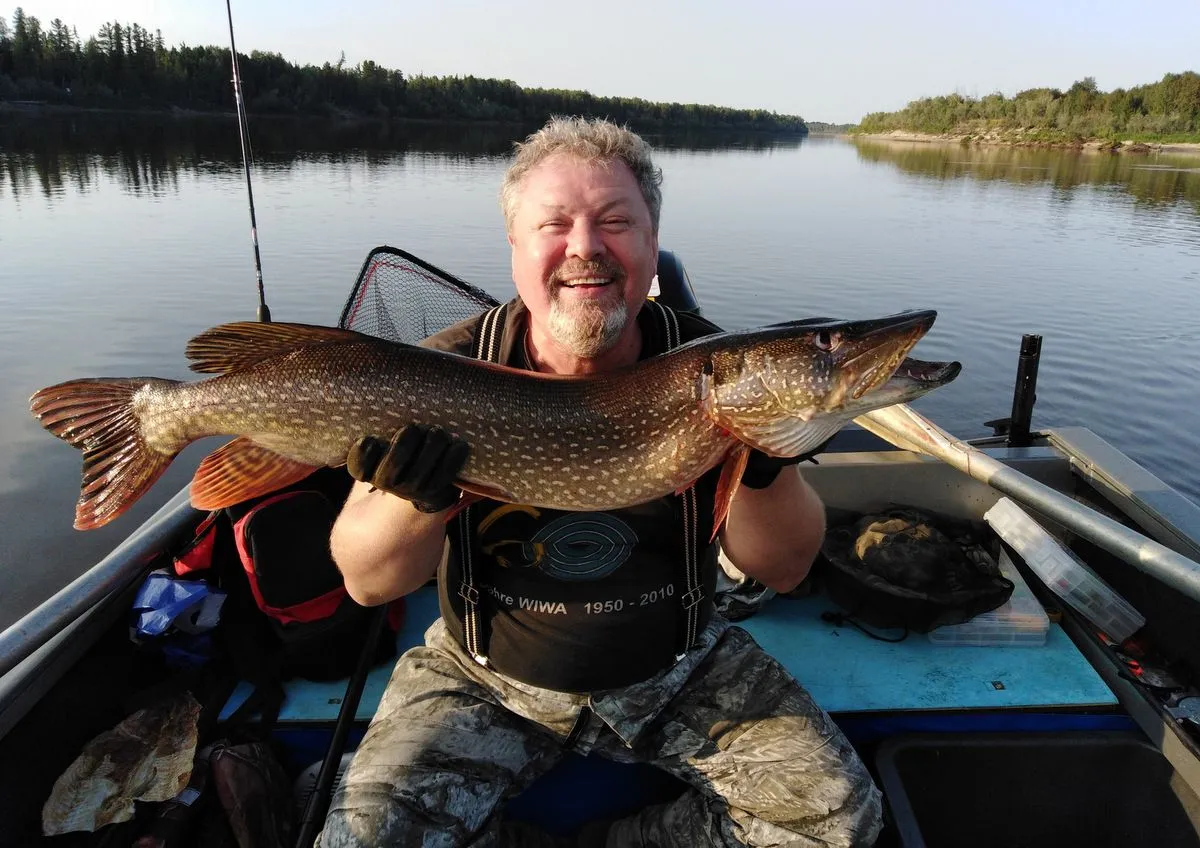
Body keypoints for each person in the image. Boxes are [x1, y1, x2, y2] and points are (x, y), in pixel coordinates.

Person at [319, 116, 882, 847]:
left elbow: (784, 566)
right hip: (483, 676)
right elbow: (367, 582)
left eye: (617, 222)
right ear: (515, 246)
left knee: (844, 822)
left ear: (652, 246)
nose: (586, 246)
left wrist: (764, 463)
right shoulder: (440, 370)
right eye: (554, 224)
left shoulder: (713, 364)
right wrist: (413, 500)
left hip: (679, 668)